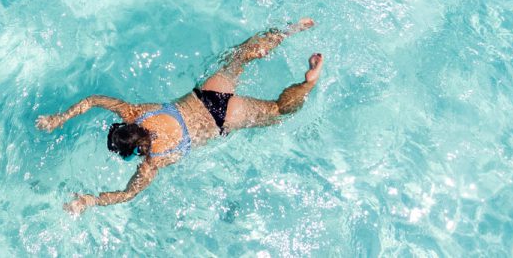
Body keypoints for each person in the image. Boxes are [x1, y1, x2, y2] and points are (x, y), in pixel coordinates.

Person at [35, 18, 323, 214]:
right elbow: (93, 100)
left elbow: (126, 194)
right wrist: (59, 118)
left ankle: (309, 83)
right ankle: (289, 30)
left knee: (277, 110)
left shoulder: (153, 161)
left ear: (133, 151)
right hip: (208, 93)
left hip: (223, 120)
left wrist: (89, 201)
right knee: (242, 55)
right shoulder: (135, 112)